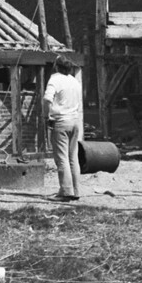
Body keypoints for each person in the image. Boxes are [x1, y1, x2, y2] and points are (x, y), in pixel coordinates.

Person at [42, 54, 84, 203]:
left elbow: (47, 99)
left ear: (57, 66)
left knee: (62, 158)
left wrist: (46, 116)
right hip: (74, 121)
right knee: (73, 157)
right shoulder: (74, 81)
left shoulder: (55, 79)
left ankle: (66, 192)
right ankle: (75, 190)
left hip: (61, 121)